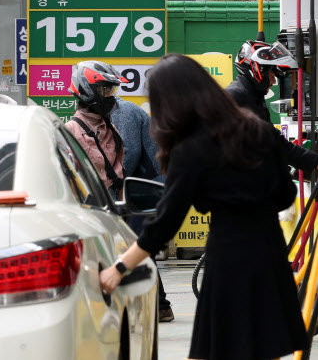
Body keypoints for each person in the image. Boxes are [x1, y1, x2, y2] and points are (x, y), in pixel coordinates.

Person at [100, 53, 307, 360]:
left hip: (228, 257)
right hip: (270, 252)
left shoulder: (190, 148)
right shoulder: (258, 129)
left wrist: (118, 269)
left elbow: (166, 222)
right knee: (265, 347)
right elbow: (286, 194)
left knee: (214, 349)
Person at [110, 96, 174, 322]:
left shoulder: (122, 112)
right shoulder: (109, 113)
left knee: (137, 243)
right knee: (138, 244)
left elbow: (128, 154)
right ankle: (159, 306)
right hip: (139, 188)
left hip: (149, 187)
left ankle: (160, 306)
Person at [226, 40, 318, 173]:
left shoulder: (253, 97)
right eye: (272, 75)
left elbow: (272, 141)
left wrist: (314, 161)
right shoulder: (237, 96)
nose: (274, 81)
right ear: (258, 70)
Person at [66, 60, 125, 197]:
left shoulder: (111, 130)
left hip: (110, 204)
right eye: (105, 90)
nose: (110, 96)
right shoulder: (70, 131)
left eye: (111, 91)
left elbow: (119, 174)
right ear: (88, 90)